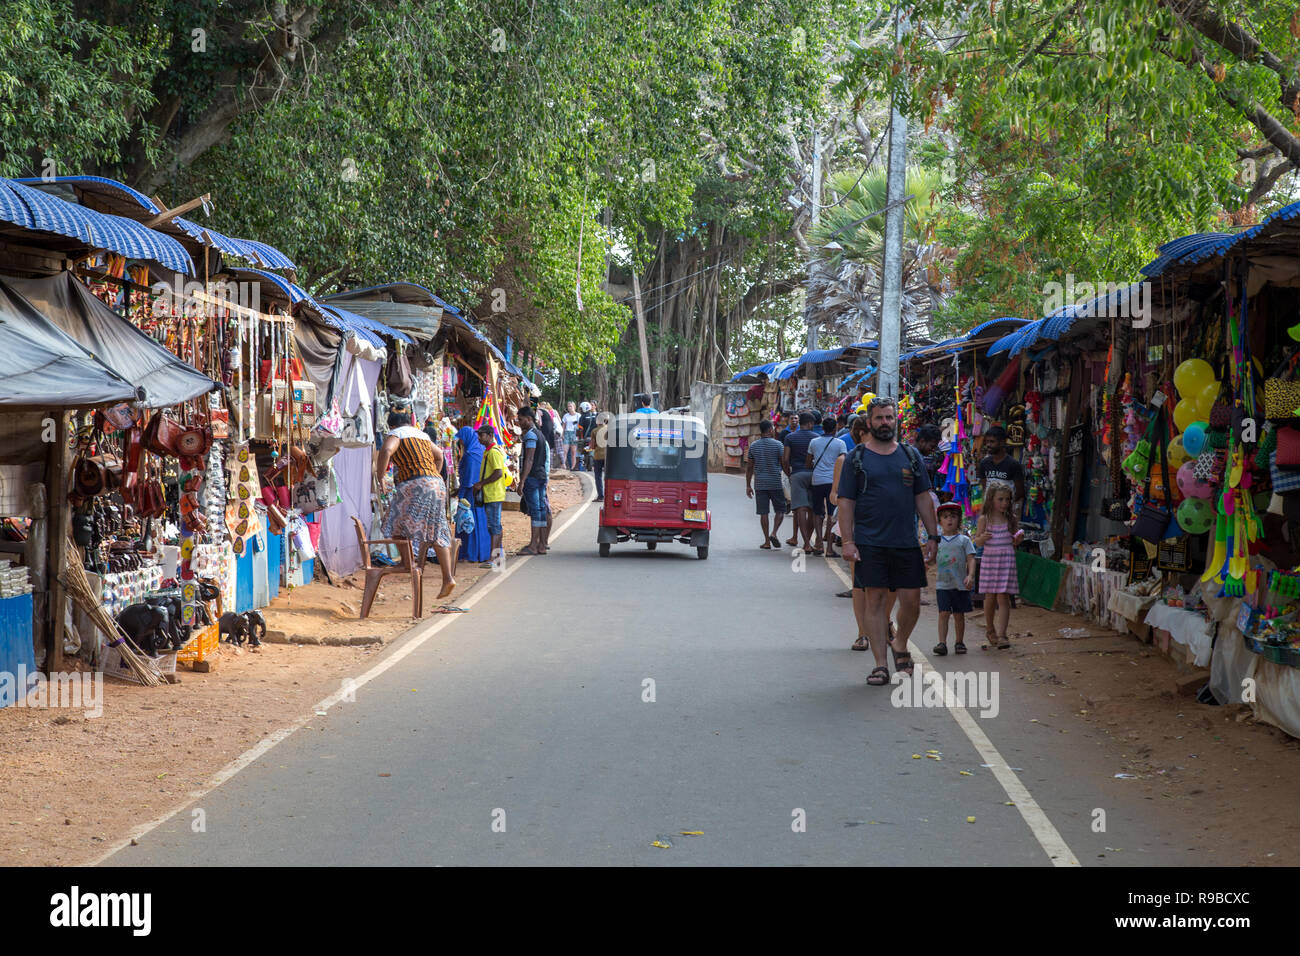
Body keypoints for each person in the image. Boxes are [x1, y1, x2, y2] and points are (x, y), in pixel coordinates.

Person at [836, 396, 938, 686]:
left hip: (905, 541)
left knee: (912, 601)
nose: (885, 423)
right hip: (869, 542)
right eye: (879, 418)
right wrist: (847, 541)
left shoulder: (910, 455)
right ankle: (880, 664)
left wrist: (932, 536)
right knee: (876, 600)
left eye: (889, 418)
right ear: (869, 422)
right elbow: (846, 502)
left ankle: (901, 642)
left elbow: (922, 498)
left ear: (896, 420)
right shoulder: (857, 457)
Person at [375, 408, 456, 598]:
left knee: (394, 523)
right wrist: (432, 474)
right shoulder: (421, 435)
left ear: (392, 425)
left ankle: (408, 563)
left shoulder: (396, 434)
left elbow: (387, 450)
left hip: (414, 484)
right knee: (436, 530)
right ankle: (448, 578)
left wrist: (380, 477)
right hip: (436, 483)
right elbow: (439, 455)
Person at [975, 479, 1020, 650]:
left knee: (1003, 597)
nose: (1004, 503)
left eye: (1007, 499)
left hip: (1006, 562)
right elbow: (977, 543)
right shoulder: (984, 520)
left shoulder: (1011, 519)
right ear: (991, 499)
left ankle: (1002, 634)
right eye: (1000, 499)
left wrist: (1017, 540)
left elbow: (1014, 541)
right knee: (990, 597)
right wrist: (982, 538)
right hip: (990, 562)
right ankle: (990, 629)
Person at [932, 502, 976, 656]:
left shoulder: (964, 540)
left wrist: (970, 575)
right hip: (942, 584)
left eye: (953, 517)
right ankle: (942, 643)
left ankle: (959, 642)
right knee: (943, 613)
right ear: (940, 521)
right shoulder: (937, 541)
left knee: (959, 614)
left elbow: (971, 559)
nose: (949, 520)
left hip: (960, 584)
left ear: (959, 520)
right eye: (945, 517)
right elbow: (930, 559)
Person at [807, 417, 847, 557]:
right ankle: (829, 548)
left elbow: (808, 463)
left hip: (817, 480)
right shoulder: (840, 444)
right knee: (831, 514)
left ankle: (818, 543)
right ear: (835, 428)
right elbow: (843, 463)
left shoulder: (813, 442)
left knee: (817, 512)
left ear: (822, 428)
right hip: (833, 483)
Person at [515, 407, 552, 554]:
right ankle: (541, 545)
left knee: (536, 511)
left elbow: (529, 459)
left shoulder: (530, 436)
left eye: (521, 419)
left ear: (529, 419)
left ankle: (532, 545)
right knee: (542, 510)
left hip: (533, 478)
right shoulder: (540, 434)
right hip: (541, 476)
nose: (519, 423)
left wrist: (522, 481)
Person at [745, 420, 787, 549]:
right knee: (780, 510)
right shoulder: (779, 445)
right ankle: (773, 533)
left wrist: (748, 485)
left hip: (760, 484)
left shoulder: (753, 446)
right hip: (775, 483)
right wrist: (789, 476)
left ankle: (766, 542)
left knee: (764, 512)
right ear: (770, 430)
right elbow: (783, 463)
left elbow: (750, 467)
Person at [781, 411, 820, 552]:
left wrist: (788, 473)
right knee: (811, 509)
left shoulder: (790, 437)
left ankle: (806, 543)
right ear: (810, 423)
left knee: (800, 509)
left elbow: (785, 459)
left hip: (797, 474)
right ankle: (808, 541)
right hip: (814, 476)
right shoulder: (817, 437)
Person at [471, 424, 508, 568]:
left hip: (494, 494)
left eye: (481, 435)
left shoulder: (493, 452)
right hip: (490, 494)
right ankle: (497, 557)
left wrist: (482, 483)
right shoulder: (488, 451)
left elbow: (498, 472)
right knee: (494, 526)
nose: (479, 438)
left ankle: (494, 559)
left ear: (489, 435)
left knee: (494, 526)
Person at [977, 425, 1025, 504]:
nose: (988, 445)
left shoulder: (1013, 464)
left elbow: (1020, 493)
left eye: (992, 441)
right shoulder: (984, 463)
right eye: (987, 441)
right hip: (989, 510)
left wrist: (1006, 505)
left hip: (1006, 509)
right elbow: (985, 487)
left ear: (1002, 442)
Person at [590, 410, 609, 501]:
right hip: (608, 457)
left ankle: (601, 496)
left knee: (598, 476)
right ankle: (608, 495)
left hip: (597, 456)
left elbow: (592, 446)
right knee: (608, 476)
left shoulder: (594, 431)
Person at [577, 401, 597, 471]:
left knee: (581, 451)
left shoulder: (582, 417)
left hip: (587, 437)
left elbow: (580, 429)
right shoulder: (596, 416)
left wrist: (580, 438)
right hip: (595, 437)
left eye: (581, 408)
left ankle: (580, 465)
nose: (581, 410)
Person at [560, 401, 581, 470]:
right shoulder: (566, 416)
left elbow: (580, 426)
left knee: (573, 451)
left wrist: (579, 435)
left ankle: (573, 466)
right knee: (564, 450)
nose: (569, 408)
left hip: (574, 433)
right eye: (568, 406)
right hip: (567, 433)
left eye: (571, 406)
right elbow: (563, 425)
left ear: (574, 407)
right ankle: (563, 465)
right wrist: (562, 434)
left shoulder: (578, 415)